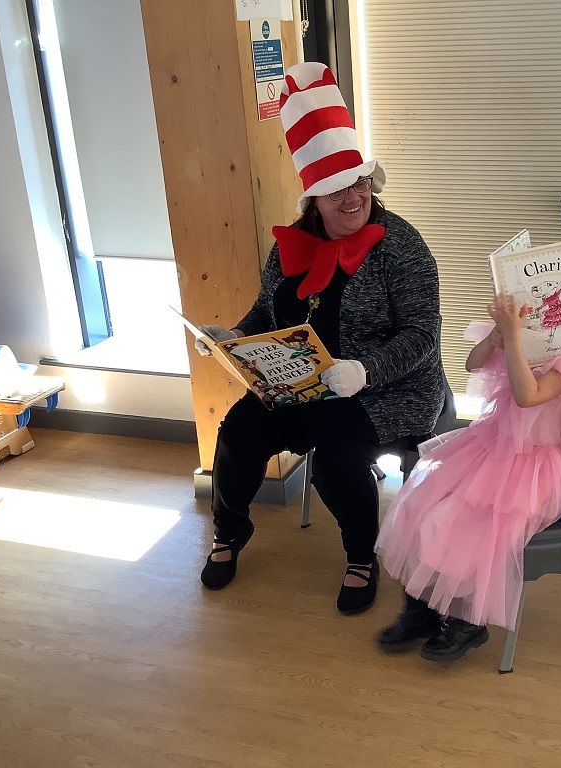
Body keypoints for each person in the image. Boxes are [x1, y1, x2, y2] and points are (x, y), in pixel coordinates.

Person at [198, 62, 443, 615]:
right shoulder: (292, 244)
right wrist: (232, 336)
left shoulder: (401, 245)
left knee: (337, 458)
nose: (351, 197)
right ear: (313, 199)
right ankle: (229, 533)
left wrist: (364, 371)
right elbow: (266, 311)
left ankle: (361, 557)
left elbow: (423, 335)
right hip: (301, 385)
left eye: (358, 183)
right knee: (237, 432)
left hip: (388, 390)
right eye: (334, 190)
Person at [374, 294, 561, 661]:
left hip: (536, 466)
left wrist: (514, 338)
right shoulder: (523, 339)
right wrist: (494, 338)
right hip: (490, 447)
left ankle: (468, 619)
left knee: (470, 526)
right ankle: (421, 609)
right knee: (422, 503)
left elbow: (527, 396)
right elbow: (472, 365)